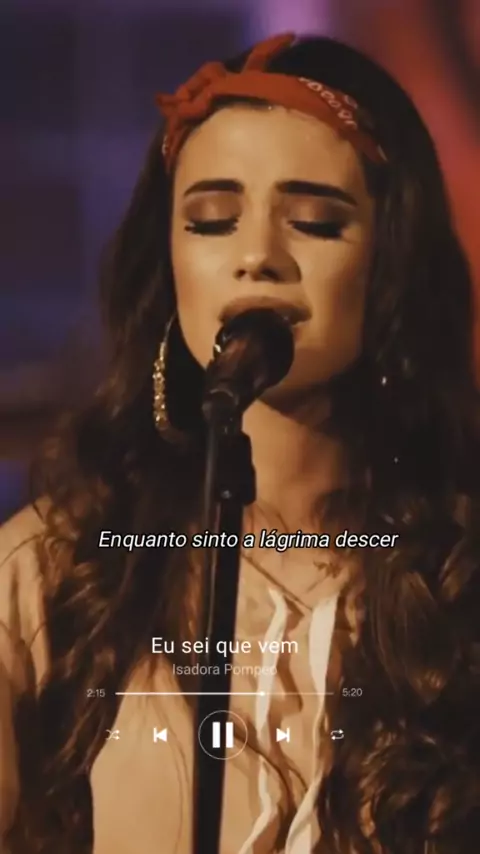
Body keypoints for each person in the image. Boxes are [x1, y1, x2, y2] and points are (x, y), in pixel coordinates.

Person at [1, 30, 479, 854]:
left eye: (316, 222)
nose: (257, 257)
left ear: (392, 263)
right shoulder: (52, 572)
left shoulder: (458, 566)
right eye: (213, 220)